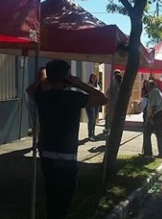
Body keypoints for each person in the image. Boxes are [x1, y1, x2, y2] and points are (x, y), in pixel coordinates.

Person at [26, 59, 108, 219]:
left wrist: (45, 80)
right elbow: (103, 99)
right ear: (66, 78)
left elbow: (30, 89)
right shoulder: (73, 97)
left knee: (52, 199)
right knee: (63, 201)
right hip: (66, 157)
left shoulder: (42, 96)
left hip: (46, 154)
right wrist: (80, 84)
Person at [141, 80, 162, 159]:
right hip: (157, 114)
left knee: (148, 133)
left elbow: (154, 105)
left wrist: (151, 116)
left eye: (147, 86)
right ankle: (160, 153)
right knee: (157, 134)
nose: (146, 87)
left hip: (156, 115)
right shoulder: (154, 92)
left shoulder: (155, 92)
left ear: (150, 86)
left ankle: (148, 153)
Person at [104, 70, 122, 134]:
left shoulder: (114, 85)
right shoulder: (122, 86)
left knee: (110, 118)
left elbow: (107, 93)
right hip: (118, 105)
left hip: (112, 104)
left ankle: (109, 130)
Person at [85, 73, 101, 141]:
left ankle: (93, 134)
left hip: (97, 104)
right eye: (92, 77)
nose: (94, 79)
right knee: (91, 119)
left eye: (95, 77)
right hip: (90, 104)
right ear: (90, 78)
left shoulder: (97, 85)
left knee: (94, 119)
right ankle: (90, 135)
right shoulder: (89, 85)